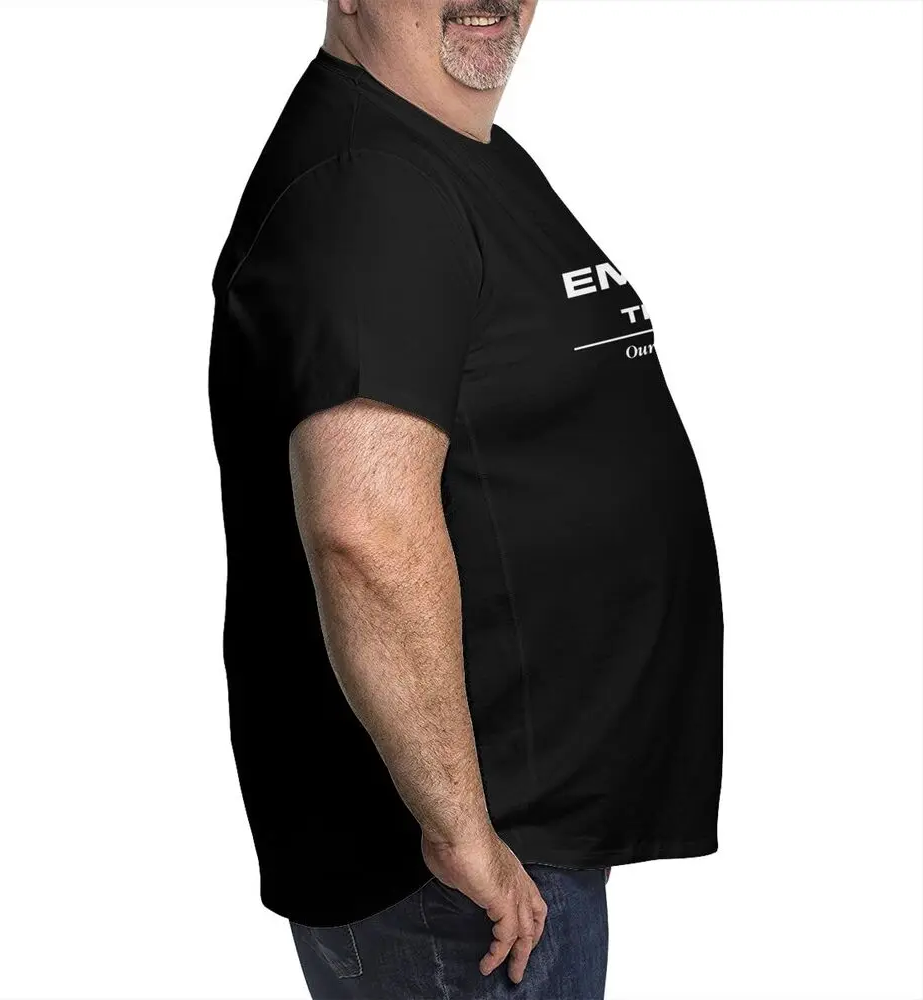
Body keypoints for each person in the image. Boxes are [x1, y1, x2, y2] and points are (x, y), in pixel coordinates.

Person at [207, 0, 723, 996]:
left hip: (509, 835)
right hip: (452, 877)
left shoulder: (444, 152)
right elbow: (364, 529)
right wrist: (459, 831)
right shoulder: (368, 187)